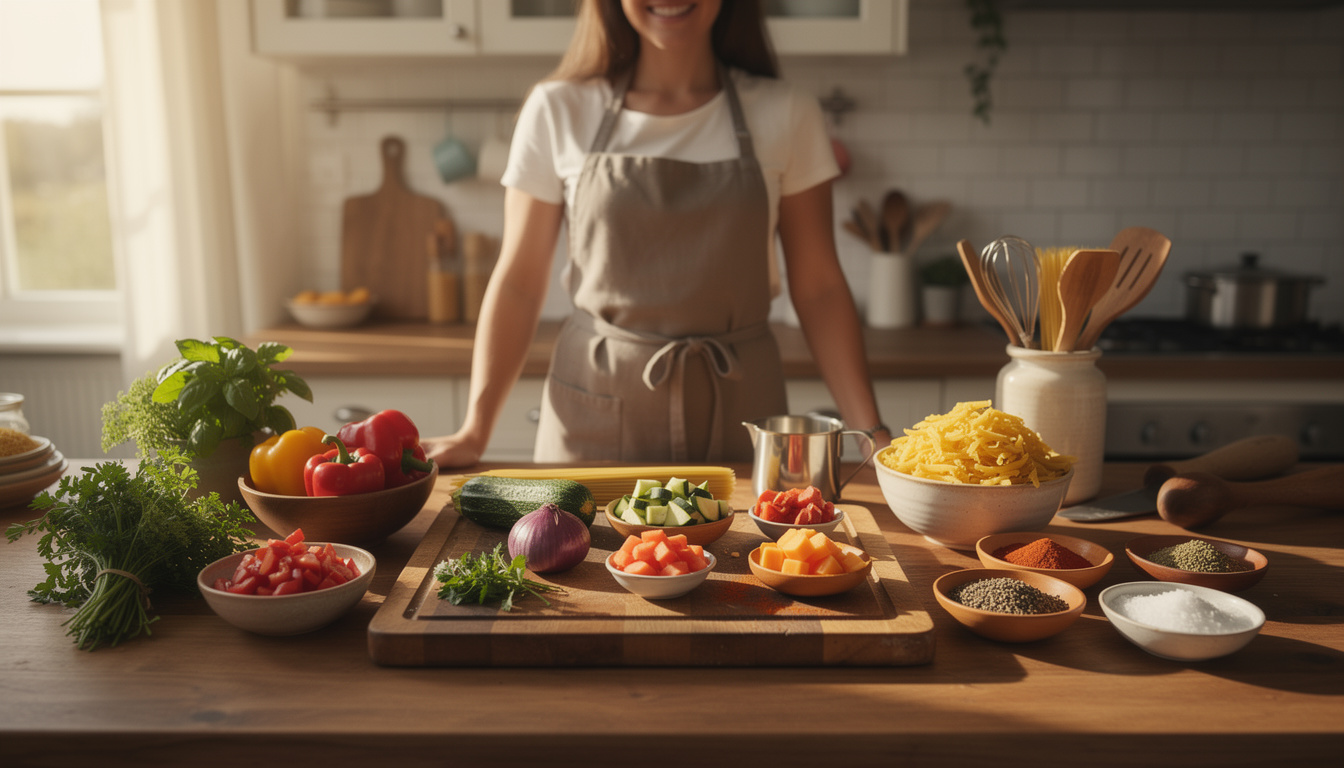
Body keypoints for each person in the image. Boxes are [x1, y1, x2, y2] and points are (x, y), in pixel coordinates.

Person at [423, 0, 889, 467]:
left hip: (743, 414)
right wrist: (474, 430)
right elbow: (519, 282)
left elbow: (820, 288)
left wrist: (872, 436)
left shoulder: (787, 112)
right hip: (594, 411)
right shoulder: (558, 109)